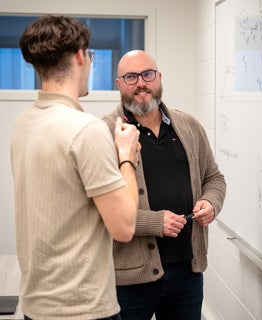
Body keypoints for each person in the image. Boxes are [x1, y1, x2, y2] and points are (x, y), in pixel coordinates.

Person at [11, 15, 140, 320]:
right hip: (82, 309)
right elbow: (124, 227)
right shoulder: (86, 130)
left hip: (36, 308)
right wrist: (126, 157)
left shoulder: (23, 124)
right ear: (82, 56)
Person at [103, 50, 226, 320]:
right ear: (118, 84)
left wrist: (211, 202)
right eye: (130, 77)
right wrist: (154, 223)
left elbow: (213, 178)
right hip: (129, 280)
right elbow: (100, 210)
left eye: (147, 74)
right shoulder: (102, 134)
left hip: (187, 273)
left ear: (159, 78)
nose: (141, 83)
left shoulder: (189, 126)